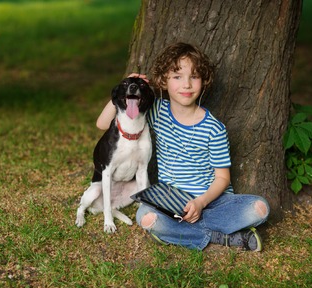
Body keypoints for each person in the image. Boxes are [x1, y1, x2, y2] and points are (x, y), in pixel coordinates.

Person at [96, 42, 270, 251]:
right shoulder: (156, 111)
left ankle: (183, 234)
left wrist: (201, 203)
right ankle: (222, 236)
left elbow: (223, 178)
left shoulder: (214, 128)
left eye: (194, 77)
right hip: (171, 204)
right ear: (163, 81)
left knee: (259, 208)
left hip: (212, 202)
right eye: (177, 77)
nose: (186, 84)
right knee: (146, 217)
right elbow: (102, 124)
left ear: (203, 81)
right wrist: (126, 88)